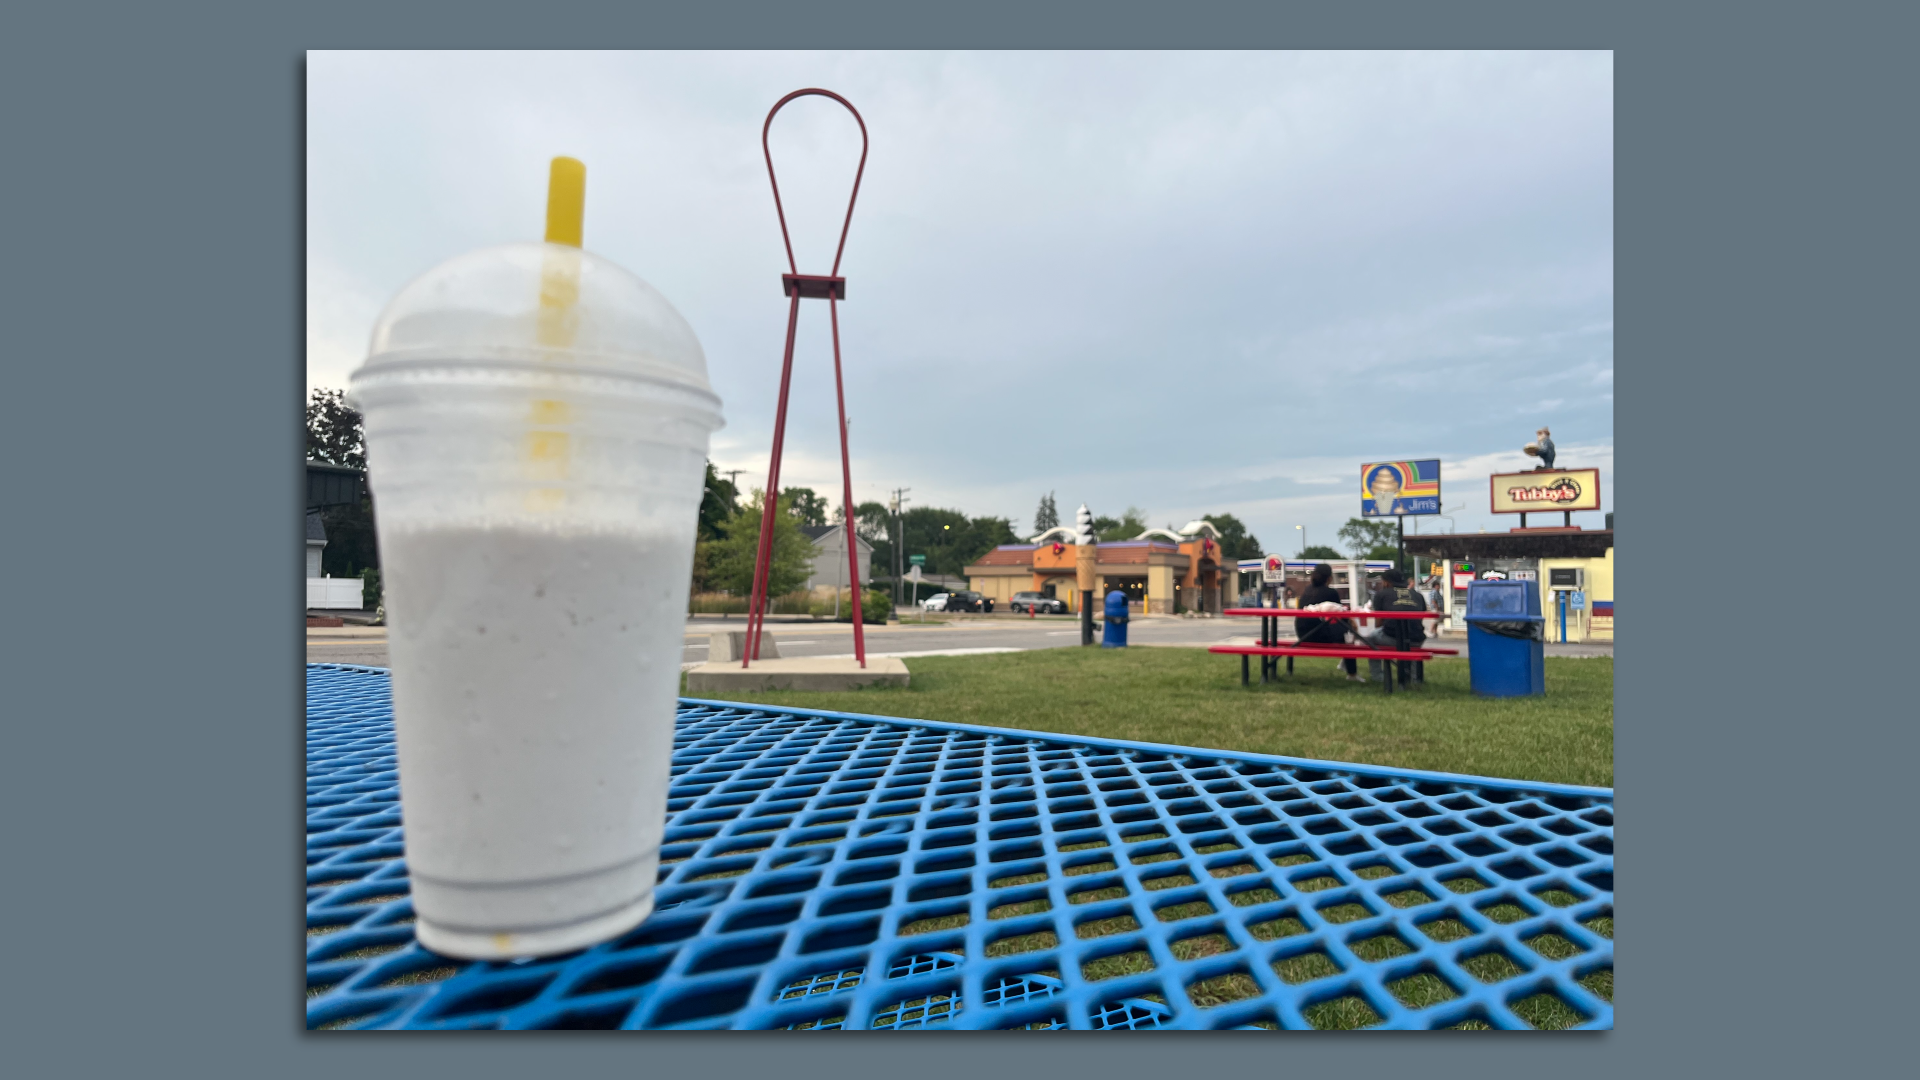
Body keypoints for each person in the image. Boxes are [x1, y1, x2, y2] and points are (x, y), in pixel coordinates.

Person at [1293, 563, 1365, 681]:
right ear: (1329, 578)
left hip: (1302, 635)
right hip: (1319, 636)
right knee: (1348, 630)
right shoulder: (1330, 593)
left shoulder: (1306, 591)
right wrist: (1352, 623)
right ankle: (1351, 672)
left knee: (1344, 631)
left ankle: (1345, 663)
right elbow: (1341, 615)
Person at [1358, 568, 1428, 682]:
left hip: (1393, 637)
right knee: (1410, 645)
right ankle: (1414, 678)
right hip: (1417, 638)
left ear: (1386, 582)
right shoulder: (1417, 595)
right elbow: (1421, 617)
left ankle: (1378, 676)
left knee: (1369, 639)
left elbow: (1379, 622)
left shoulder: (1382, 594)